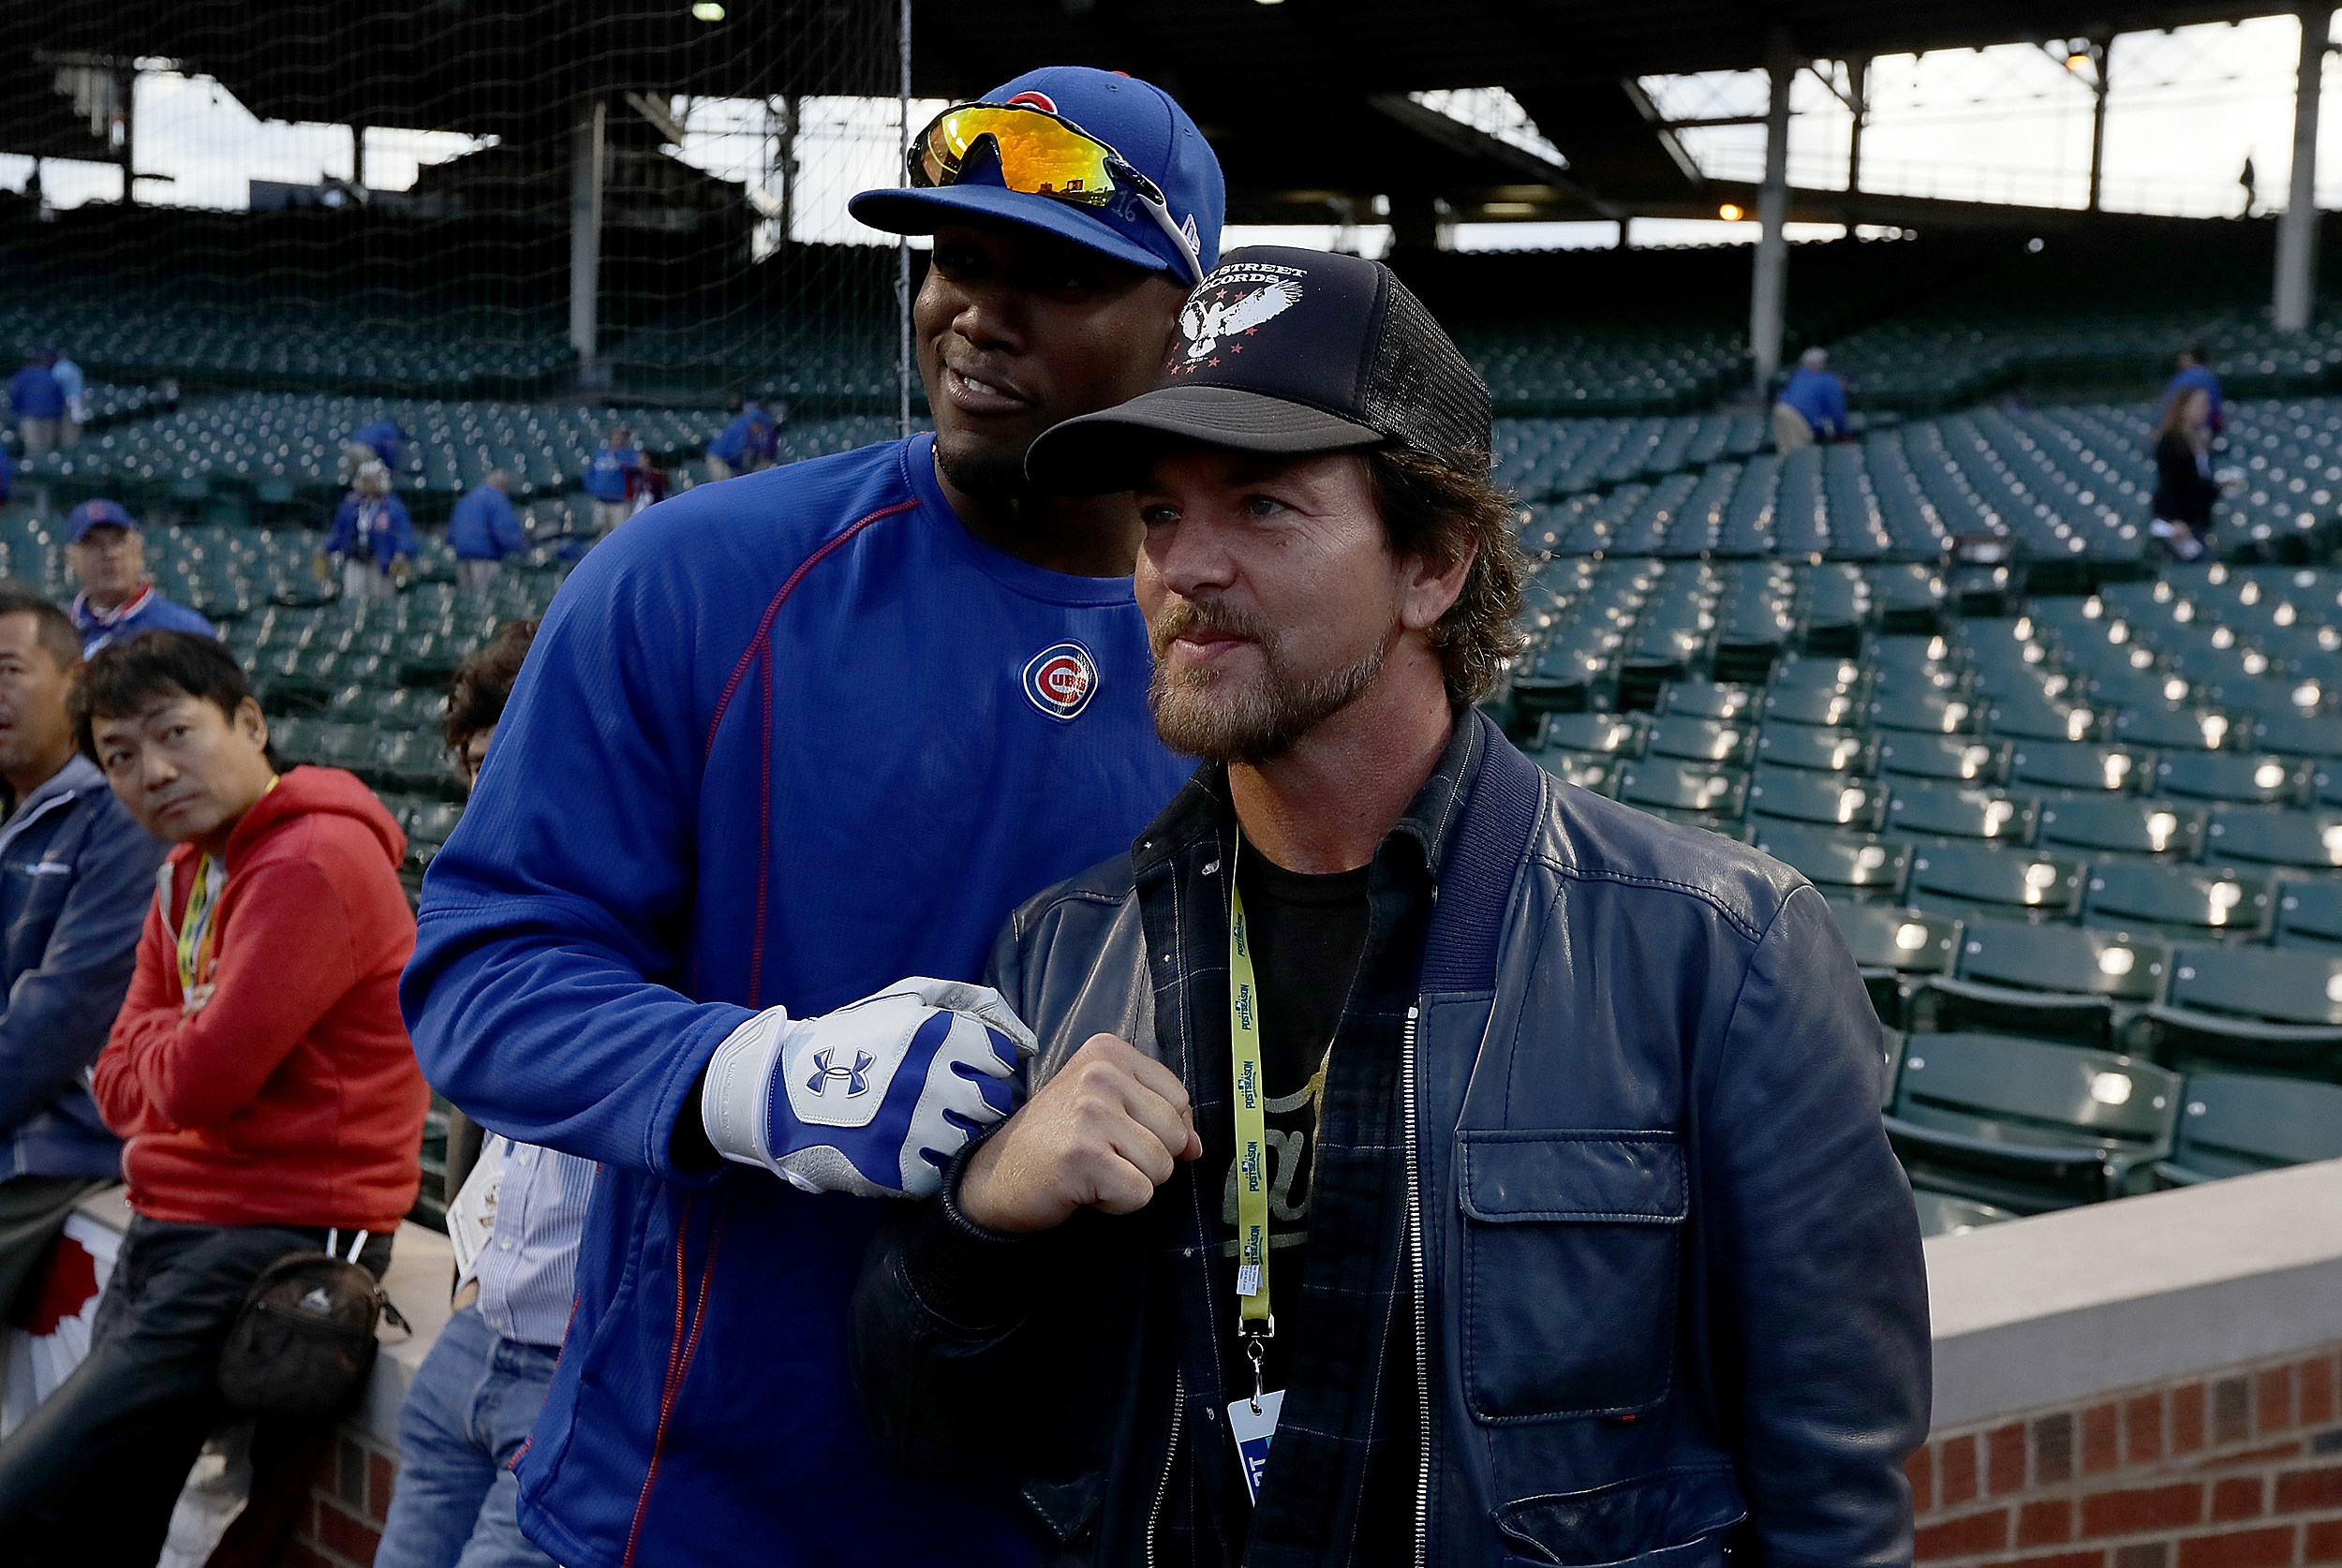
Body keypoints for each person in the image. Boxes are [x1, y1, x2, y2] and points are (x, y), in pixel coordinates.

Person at [852, 246, 1933, 1566]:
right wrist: (987, 1211)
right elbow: (934, 1434)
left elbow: (1835, 1499)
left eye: (1261, 506)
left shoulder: (1717, 947)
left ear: (1434, 565)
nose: (1187, 568)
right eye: (1158, 515)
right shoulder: (1066, 949)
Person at [403, 64, 1222, 1568]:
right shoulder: (693, 573)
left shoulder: (1248, 648)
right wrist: (748, 1076)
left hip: (1081, 1511)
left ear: (1188, 318)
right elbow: (478, 971)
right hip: (697, 1500)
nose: (979, 309)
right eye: (958, 259)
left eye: (1058, 272)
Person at [0, 630, 428, 1563]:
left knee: (28, 1500)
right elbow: (119, 1087)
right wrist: (168, 1051)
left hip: (267, 1240)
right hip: (176, 1220)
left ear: (250, 722)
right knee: (105, 1516)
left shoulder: (310, 860)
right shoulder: (188, 870)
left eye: (175, 734)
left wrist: (164, 1050)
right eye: (118, 758)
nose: (151, 772)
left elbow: (198, 1079)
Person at [376, 621, 585, 1568]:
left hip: (580, 1370)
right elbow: (480, 1108)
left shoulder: (682, 892)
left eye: (511, 753)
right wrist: (469, 1273)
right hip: (477, 1339)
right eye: (471, 766)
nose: (488, 787)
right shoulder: (496, 915)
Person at [0, 586, 168, 1323]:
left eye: (8, 670)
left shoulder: (119, 813)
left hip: (55, 1146)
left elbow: (59, 1015)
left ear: (74, 684)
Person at [66, 497, 217, 655]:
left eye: (118, 541)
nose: (109, 554)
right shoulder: (58, 630)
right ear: (71, 560)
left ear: (139, 553)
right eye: (93, 543)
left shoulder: (185, 629)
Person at [328, 460, 417, 600]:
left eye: (370, 479)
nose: (367, 483)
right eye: (364, 479)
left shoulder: (392, 505)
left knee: (381, 601)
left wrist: (402, 553)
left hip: (381, 563)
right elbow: (338, 530)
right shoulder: (351, 504)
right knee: (353, 600)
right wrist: (328, 549)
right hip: (355, 560)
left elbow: (404, 533)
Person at [2152, 385, 2221, 562]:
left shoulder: (2200, 438)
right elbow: (2168, 481)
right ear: (2184, 407)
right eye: (2199, 404)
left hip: (2199, 517)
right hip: (2180, 521)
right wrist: (2175, 518)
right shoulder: (2170, 441)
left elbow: (2200, 480)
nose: (2204, 410)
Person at [449, 468, 527, 590]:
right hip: (484, 560)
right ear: (504, 485)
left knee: (467, 602)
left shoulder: (466, 498)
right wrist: (525, 548)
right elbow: (505, 533)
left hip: (461, 560)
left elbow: (451, 536)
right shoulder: (496, 498)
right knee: (484, 601)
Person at [1773, 345, 1847, 453]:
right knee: (1799, 454)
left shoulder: (1797, 376)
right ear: (1821, 363)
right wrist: (1841, 431)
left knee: (1785, 452)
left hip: (1780, 410)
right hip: (1797, 416)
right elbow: (1837, 410)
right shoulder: (1828, 379)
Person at [582, 424, 643, 530]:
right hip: (600, 501)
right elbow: (589, 474)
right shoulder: (600, 454)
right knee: (600, 537)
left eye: (622, 436)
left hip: (620, 503)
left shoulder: (630, 455)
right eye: (616, 435)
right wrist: (592, 489)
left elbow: (637, 474)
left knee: (621, 534)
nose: (618, 438)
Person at [7, 351, 64, 458]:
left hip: (30, 417)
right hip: (49, 417)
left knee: (32, 450)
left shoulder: (23, 375)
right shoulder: (51, 375)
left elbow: (15, 397)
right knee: (47, 450)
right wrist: (57, 418)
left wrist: (16, 412)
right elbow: (60, 400)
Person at [2161, 345, 2225, 436]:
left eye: (2183, 357)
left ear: (2191, 357)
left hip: (2185, 430)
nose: (2180, 360)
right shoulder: (2210, 378)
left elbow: (2170, 404)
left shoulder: (2185, 378)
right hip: (2207, 431)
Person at [702, 404, 777, 481]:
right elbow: (735, 454)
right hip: (717, 457)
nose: (762, 429)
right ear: (754, 423)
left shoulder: (756, 435)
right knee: (724, 480)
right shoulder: (740, 429)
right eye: (760, 425)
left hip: (734, 461)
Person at [342, 418, 407, 486]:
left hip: (350, 448)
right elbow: (390, 450)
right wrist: (392, 468)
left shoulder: (379, 425)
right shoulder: (391, 429)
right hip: (364, 450)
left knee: (353, 477)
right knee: (368, 478)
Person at [50, 350, 85, 449]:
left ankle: (68, 447)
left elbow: (55, 386)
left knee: (66, 428)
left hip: (66, 400)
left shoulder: (58, 368)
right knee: (76, 426)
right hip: (77, 400)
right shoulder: (75, 368)